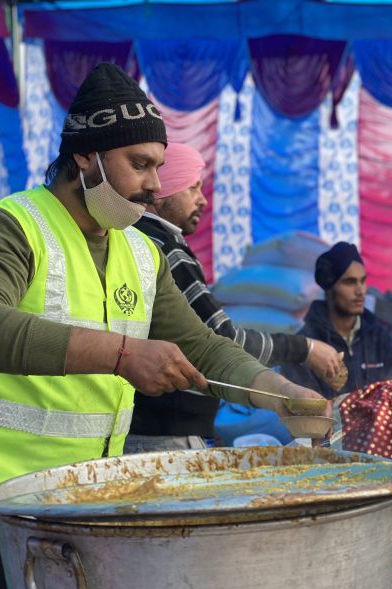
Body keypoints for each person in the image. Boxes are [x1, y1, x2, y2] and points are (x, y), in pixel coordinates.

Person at [0, 63, 323, 589]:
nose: (155, 187)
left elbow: (201, 345)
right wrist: (121, 354)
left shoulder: (141, 250)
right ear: (86, 156)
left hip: (81, 499)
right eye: (140, 165)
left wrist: (282, 393)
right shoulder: (8, 226)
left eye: (158, 167)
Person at [126, 142, 343, 451]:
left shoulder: (135, 241)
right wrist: (303, 350)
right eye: (193, 188)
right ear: (164, 190)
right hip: (163, 432)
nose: (202, 200)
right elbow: (221, 342)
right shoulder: (169, 251)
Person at [280, 242, 392, 398]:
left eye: (362, 281)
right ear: (330, 288)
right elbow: (305, 414)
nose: (360, 291)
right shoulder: (305, 348)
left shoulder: (380, 340)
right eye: (349, 282)